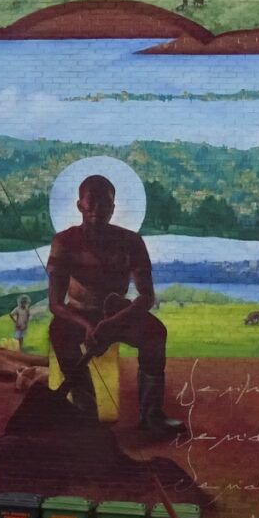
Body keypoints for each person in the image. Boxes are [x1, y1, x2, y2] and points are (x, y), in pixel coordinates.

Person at [47, 174, 182, 434]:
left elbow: (146, 296)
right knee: (58, 332)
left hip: (119, 313)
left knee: (155, 333)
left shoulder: (131, 242)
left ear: (114, 207)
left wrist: (112, 323)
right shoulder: (64, 242)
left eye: (105, 204)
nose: (98, 210)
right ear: (79, 206)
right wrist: (86, 324)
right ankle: (87, 416)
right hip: (78, 316)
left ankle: (151, 416)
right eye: (92, 202)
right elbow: (55, 304)